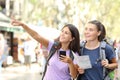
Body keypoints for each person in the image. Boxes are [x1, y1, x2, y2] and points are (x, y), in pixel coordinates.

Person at [11, 20, 80, 80]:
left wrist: (70, 62)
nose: (62, 34)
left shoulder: (74, 54)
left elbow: (74, 76)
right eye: (62, 31)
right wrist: (23, 25)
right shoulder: (53, 46)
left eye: (66, 33)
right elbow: (36, 36)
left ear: (72, 38)